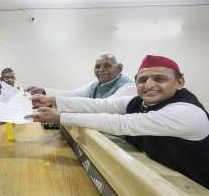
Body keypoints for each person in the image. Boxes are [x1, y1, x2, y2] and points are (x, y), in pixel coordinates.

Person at [26, 55, 209, 189]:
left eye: (159, 79)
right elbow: (101, 105)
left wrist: (60, 117)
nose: (149, 85)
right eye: (143, 80)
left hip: (193, 185)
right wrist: (52, 99)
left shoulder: (187, 113)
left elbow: (122, 123)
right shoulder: (139, 100)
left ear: (179, 82)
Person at [25, 53, 136, 99]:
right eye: (97, 66)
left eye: (107, 66)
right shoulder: (95, 85)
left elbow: (104, 106)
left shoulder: (128, 86)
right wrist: (44, 92)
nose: (101, 70)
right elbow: (74, 95)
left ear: (119, 68)